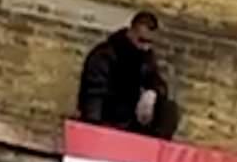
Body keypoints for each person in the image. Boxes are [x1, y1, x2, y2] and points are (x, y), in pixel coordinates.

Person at [76, 11, 181, 140]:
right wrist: (93, 131)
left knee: (169, 109)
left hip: (131, 120)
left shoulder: (146, 58)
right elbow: (93, 95)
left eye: (150, 42)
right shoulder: (104, 55)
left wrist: (153, 92)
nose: (145, 47)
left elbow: (156, 81)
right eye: (141, 40)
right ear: (130, 32)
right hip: (107, 118)